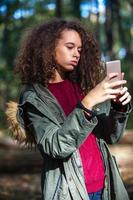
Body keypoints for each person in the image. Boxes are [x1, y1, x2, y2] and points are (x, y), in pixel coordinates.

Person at [7, 19, 132, 200]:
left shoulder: (82, 85)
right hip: (68, 191)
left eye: (80, 50)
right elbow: (55, 146)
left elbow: (110, 135)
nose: (76, 54)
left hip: (106, 185)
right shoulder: (34, 96)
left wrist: (119, 108)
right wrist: (87, 103)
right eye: (70, 47)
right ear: (48, 48)